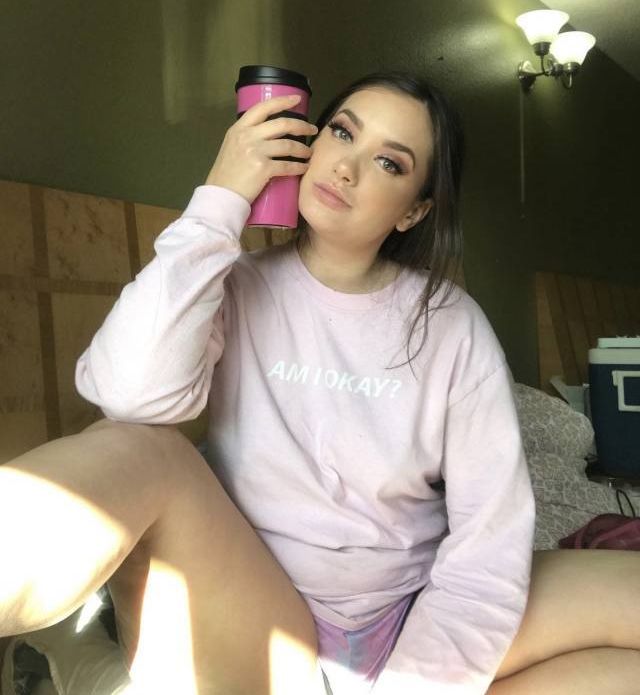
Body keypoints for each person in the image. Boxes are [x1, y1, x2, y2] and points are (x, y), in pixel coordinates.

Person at [1, 71, 639, 695]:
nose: (347, 167)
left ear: (414, 211)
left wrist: (420, 680)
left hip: (413, 605)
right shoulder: (231, 283)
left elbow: (490, 535)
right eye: (341, 133)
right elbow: (128, 394)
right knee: (137, 446)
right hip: (262, 605)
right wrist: (220, 199)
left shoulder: (451, 324)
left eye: (389, 163)